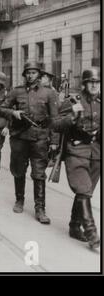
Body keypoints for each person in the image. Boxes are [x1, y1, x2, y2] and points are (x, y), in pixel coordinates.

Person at [0, 61, 59, 224]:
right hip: (19, 137)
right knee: (18, 170)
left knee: (39, 174)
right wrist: (13, 112)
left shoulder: (49, 93)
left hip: (40, 138)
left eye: (34, 72)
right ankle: (19, 200)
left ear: (39, 74)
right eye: (28, 73)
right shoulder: (16, 91)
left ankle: (40, 209)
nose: (31, 75)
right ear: (24, 74)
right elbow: (1, 108)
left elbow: (55, 119)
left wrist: (54, 141)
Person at [52, 68, 100, 249]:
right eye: (91, 82)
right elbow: (54, 124)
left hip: (96, 153)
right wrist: (72, 118)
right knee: (83, 189)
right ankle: (91, 231)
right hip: (76, 150)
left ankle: (74, 226)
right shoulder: (73, 101)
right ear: (84, 84)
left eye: (97, 82)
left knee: (85, 192)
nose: (95, 85)